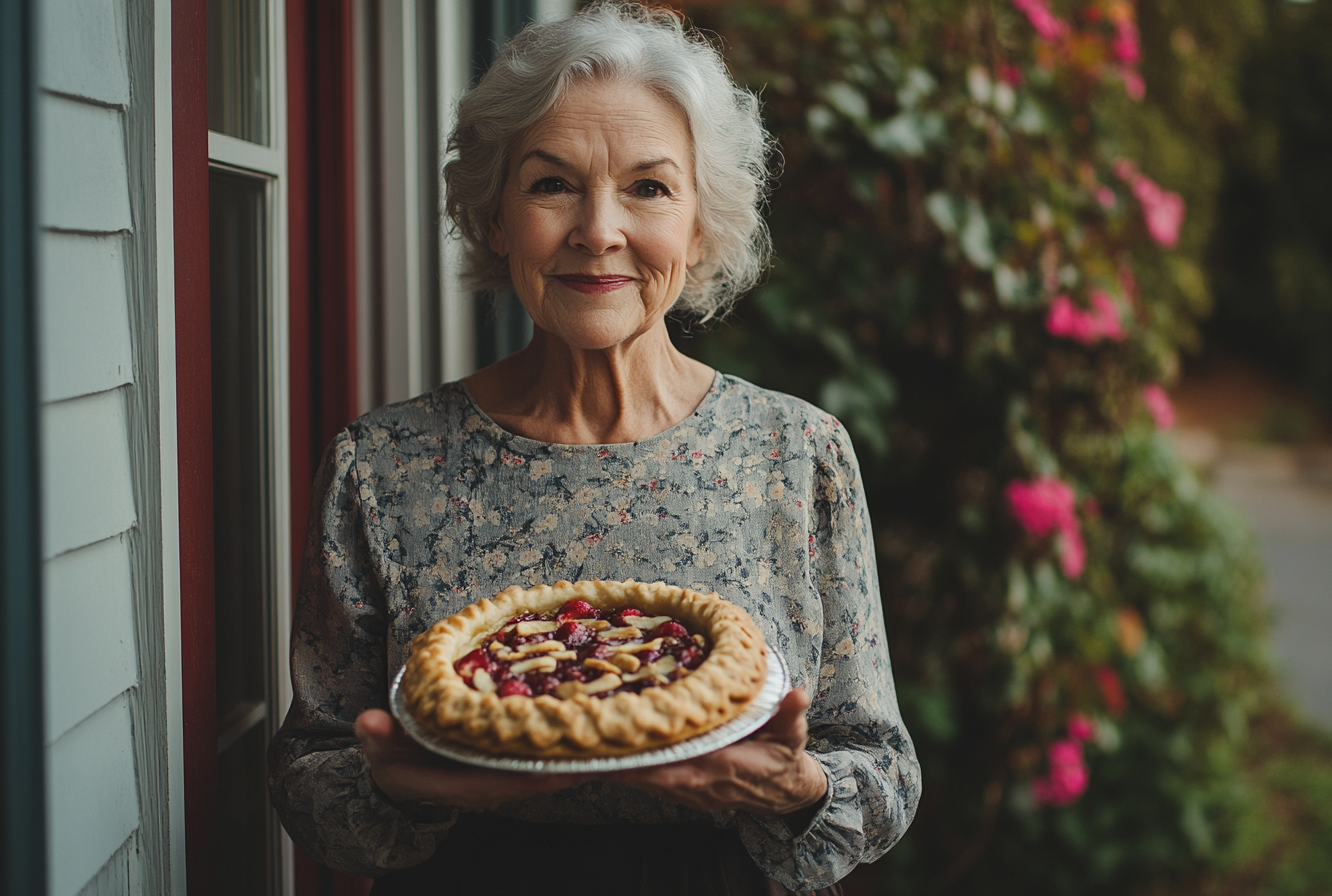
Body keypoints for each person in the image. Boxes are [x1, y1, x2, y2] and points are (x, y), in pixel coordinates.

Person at [268, 5, 920, 894]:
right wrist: (399, 791)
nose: (599, 231)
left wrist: (800, 790)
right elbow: (311, 775)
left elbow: (876, 770)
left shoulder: (797, 455)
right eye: (551, 185)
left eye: (650, 188)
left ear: (700, 224)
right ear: (495, 216)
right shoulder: (383, 468)